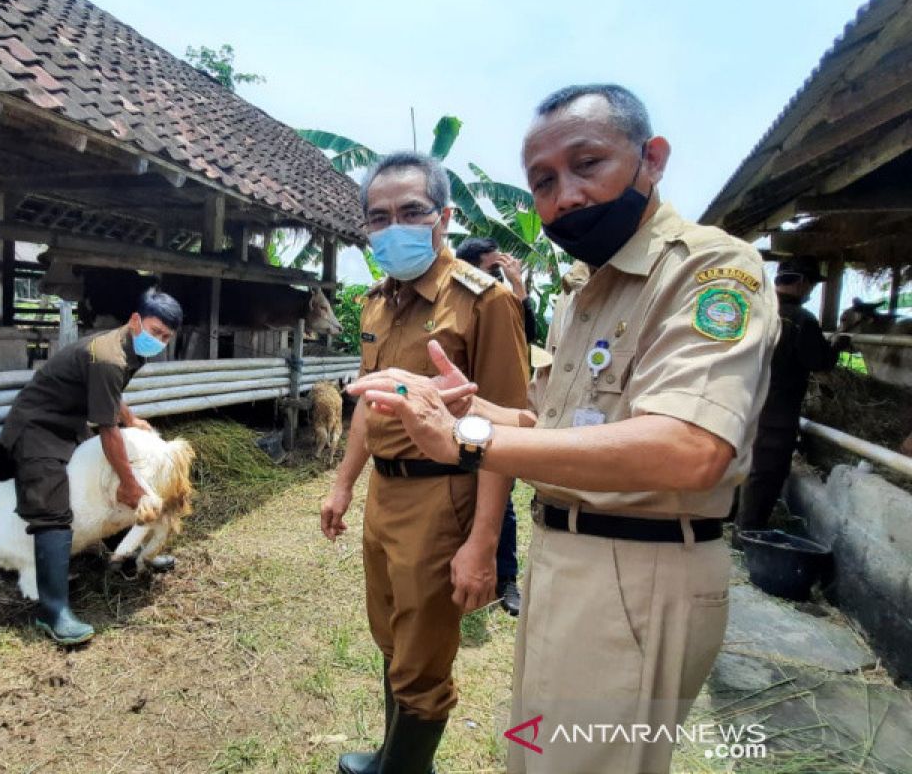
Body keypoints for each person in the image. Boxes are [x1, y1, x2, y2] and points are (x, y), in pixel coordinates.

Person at [348, 84, 780, 773]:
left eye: (588, 164)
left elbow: (691, 447)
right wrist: (458, 407)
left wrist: (470, 442)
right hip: (563, 553)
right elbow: (544, 423)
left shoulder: (710, 270)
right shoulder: (584, 293)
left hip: (642, 562)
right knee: (535, 752)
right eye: (543, 181)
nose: (565, 196)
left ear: (652, 159)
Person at [322, 151, 529, 774]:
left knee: (422, 657)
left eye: (411, 210)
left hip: (445, 495)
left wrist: (484, 542)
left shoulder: (484, 300)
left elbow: (506, 429)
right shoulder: (376, 303)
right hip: (386, 493)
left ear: (444, 215)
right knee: (390, 634)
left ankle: (403, 770)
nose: (395, 226)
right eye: (379, 216)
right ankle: (395, 758)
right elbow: (365, 403)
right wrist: (342, 484)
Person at [0, 289, 183, 645]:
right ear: (135, 320)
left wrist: (132, 418)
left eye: (166, 337)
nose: (158, 340)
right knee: (53, 510)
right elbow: (107, 429)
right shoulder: (109, 356)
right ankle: (53, 613)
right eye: (155, 330)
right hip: (37, 428)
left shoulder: (130, 350)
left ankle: (127, 555)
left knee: (104, 483)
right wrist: (132, 483)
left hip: (69, 423)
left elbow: (111, 398)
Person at [737, 256, 847, 534]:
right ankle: (748, 533)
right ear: (800, 282)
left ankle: (727, 520)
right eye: (810, 285)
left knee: (739, 464)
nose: (810, 292)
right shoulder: (801, 319)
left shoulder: (752, 308)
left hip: (741, 405)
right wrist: (836, 346)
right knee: (766, 473)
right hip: (776, 411)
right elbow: (819, 362)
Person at [454, 237, 534, 615]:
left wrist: (518, 287)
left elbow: (527, 334)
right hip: (453, 417)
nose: (496, 278)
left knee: (500, 503)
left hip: (495, 414)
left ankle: (506, 580)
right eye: (493, 270)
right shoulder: (449, 302)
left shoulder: (502, 302)